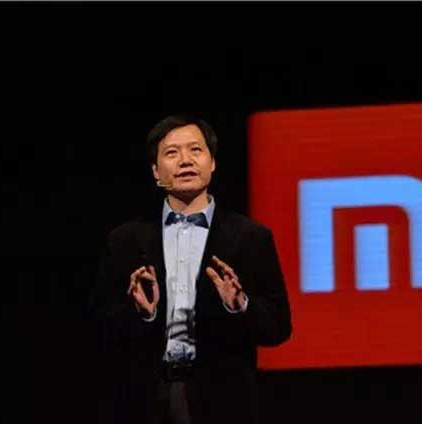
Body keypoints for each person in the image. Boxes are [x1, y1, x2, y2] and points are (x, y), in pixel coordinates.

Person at [89, 115, 292, 424]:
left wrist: (240, 305)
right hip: (145, 397)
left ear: (213, 162)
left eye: (196, 150)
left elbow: (278, 327)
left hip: (224, 398)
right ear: (156, 171)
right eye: (172, 152)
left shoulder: (250, 237)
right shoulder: (125, 240)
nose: (185, 160)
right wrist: (142, 315)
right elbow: (99, 326)